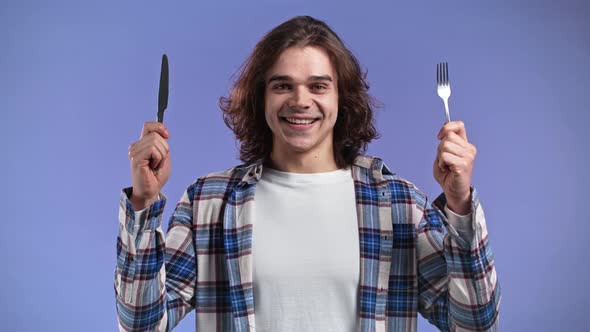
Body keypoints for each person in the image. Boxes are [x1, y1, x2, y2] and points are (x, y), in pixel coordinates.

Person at [115, 15, 501, 332]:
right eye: (283, 85)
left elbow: (474, 324)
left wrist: (459, 205)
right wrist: (144, 204)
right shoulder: (208, 203)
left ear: (341, 99)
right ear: (261, 99)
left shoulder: (398, 204)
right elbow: (141, 326)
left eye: (318, 85)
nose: (300, 101)